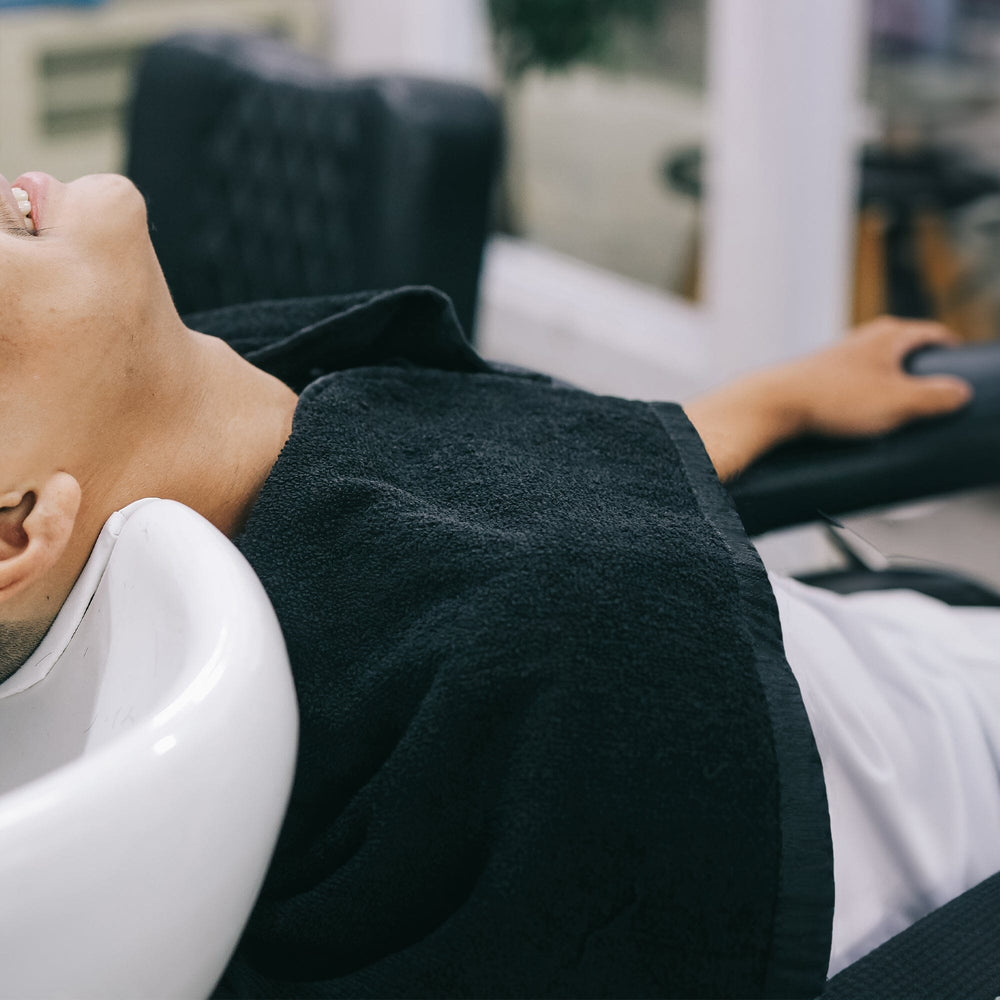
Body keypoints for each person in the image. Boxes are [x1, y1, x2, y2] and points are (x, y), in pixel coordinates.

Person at [0, 170, 995, 997]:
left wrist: (763, 405)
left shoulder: (276, 434)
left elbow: (527, 484)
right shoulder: (551, 649)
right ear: (14, 528)